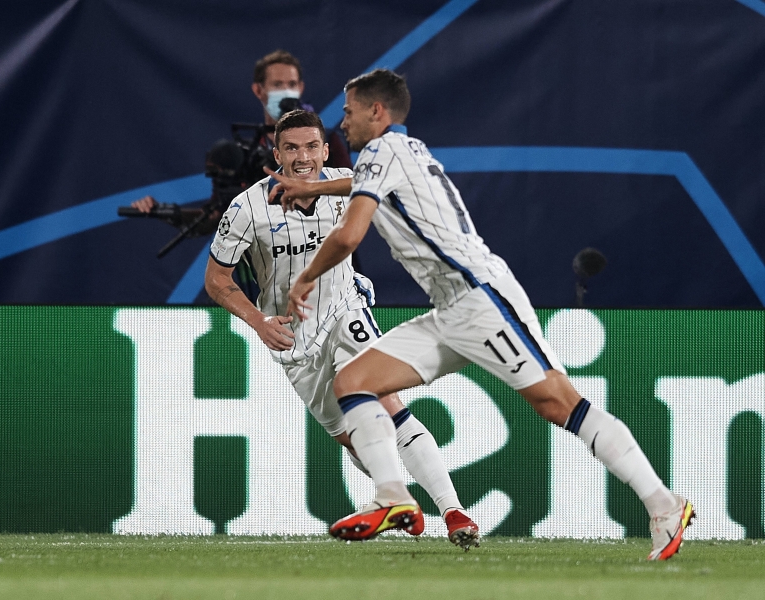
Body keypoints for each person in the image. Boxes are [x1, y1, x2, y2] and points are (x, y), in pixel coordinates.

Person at [275, 69, 695, 561]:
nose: (342, 122)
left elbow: (349, 236)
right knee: (353, 381)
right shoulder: (400, 150)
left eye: (348, 112)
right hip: (449, 308)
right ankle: (392, 495)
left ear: (377, 111)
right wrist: (316, 189)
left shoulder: (381, 152)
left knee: (559, 404)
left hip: (481, 300)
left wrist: (305, 278)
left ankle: (664, 504)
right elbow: (360, 184)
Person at [203, 108, 479, 549]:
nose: (302, 157)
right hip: (294, 338)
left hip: (345, 307)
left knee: (384, 402)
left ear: (325, 151)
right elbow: (217, 280)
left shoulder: (343, 186)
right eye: (291, 148)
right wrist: (258, 321)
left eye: (312, 146)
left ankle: (453, 511)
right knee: (355, 440)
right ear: (276, 153)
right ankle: (397, 499)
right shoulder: (247, 208)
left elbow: (389, 181)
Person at [251, 49, 352, 169]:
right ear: (258, 90)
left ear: (300, 88)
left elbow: (348, 178)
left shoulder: (329, 140)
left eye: (292, 84)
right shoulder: (251, 151)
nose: (286, 92)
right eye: (277, 84)